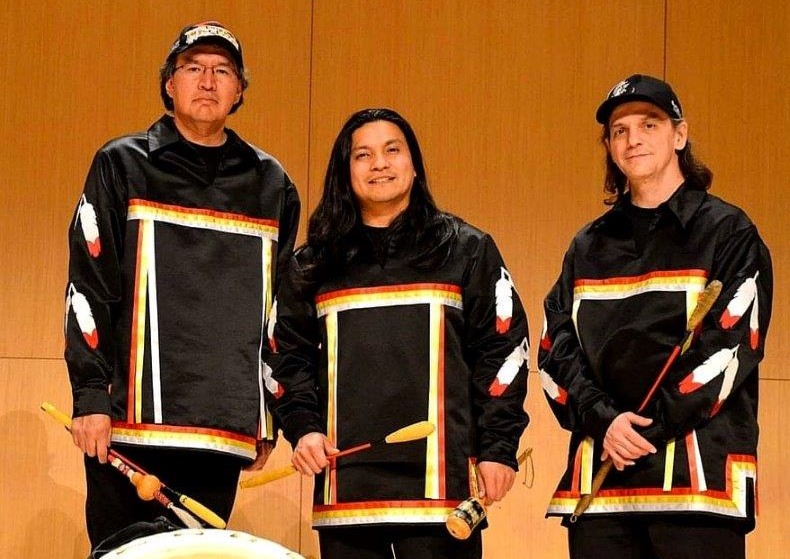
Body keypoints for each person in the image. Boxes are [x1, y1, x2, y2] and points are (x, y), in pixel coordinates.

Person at [64, 21, 300, 549]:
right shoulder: (121, 163)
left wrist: (268, 415)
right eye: (193, 68)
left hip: (220, 428)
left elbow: (279, 311)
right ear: (169, 84)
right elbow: (89, 284)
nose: (208, 81)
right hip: (126, 425)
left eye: (223, 71)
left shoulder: (272, 184)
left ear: (240, 91)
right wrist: (89, 396)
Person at [267, 108, 529, 559]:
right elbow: (284, 354)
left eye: (392, 150)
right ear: (345, 171)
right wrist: (303, 428)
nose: (379, 164)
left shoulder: (467, 249)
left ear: (414, 163)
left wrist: (498, 449)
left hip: (443, 490)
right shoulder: (313, 264)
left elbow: (502, 351)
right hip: (346, 489)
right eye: (363, 155)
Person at [538, 74, 773, 559]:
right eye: (619, 131)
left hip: (699, 491)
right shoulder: (586, 245)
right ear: (609, 147)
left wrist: (640, 431)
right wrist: (605, 421)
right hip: (602, 493)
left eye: (649, 124)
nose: (633, 139)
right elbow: (555, 349)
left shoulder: (729, 232)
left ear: (679, 135)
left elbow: (730, 348)